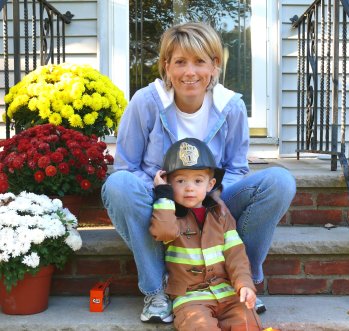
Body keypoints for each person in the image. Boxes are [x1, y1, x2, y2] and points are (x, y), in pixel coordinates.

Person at [101, 21, 296, 324]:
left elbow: (236, 167)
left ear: (215, 66)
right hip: (161, 200)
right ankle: (156, 290)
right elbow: (127, 165)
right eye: (180, 61)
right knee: (118, 185)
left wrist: (207, 197)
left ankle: (243, 285)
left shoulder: (231, 107)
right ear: (166, 66)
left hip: (211, 198)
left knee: (280, 181)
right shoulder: (145, 103)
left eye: (200, 61)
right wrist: (165, 193)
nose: (189, 72)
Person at [150, 137, 263, 331]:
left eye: (197, 180)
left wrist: (244, 284)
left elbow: (236, 255)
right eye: (180, 180)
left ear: (210, 185)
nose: (189, 187)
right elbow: (163, 231)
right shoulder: (170, 214)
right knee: (199, 327)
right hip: (189, 298)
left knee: (247, 322)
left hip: (226, 293)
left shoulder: (221, 215)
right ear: (168, 182)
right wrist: (163, 195)